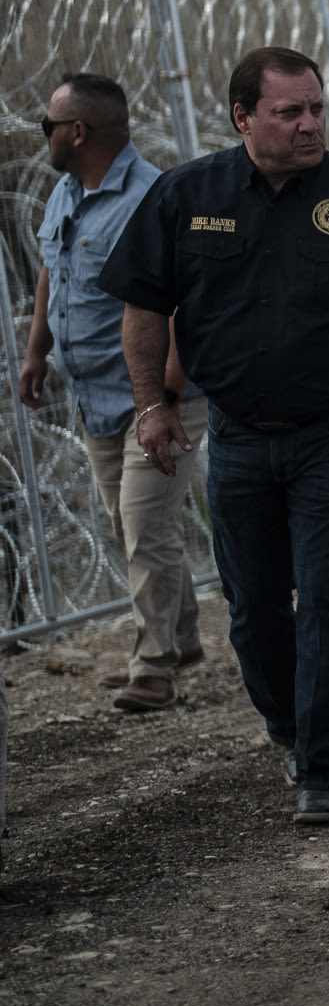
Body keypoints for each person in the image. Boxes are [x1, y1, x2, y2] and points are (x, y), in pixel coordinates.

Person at [101, 47, 329, 826]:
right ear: (242, 117)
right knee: (254, 605)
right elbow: (144, 306)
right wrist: (153, 405)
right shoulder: (187, 197)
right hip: (238, 434)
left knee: (328, 595)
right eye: (289, 112)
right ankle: (291, 727)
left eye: (316, 108)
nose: (309, 124)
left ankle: (326, 769)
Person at [18, 73, 208, 713]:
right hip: (96, 396)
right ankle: (179, 639)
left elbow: (184, 307)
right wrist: (37, 349)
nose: (41, 134)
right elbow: (53, 266)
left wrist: (168, 399)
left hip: (158, 398)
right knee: (135, 525)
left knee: (146, 526)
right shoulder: (66, 192)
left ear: (78, 132)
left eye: (49, 124)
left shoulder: (154, 198)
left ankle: (153, 666)